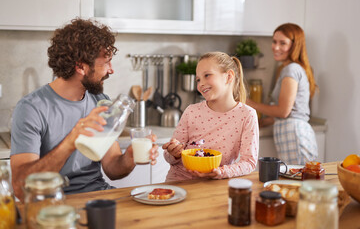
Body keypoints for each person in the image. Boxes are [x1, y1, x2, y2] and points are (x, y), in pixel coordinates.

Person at [10, 18, 158, 201]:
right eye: (106, 63)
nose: (111, 71)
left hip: (100, 197)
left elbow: (112, 168)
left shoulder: (100, 101)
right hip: (54, 206)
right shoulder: (31, 108)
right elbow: (20, 187)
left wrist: (129, 157)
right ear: (80, 66)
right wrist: (71, 141)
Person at [162, 52, 259, 181]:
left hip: (214, 186)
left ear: (229, 76)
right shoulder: (192, 112)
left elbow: (249, 162)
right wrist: (173, 154)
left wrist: (221, 172)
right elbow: (169, 158)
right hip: (180, 182)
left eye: (207, 75)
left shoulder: (247, 115)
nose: (201, 84)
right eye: (198, 79)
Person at [246, 23, 318, 165]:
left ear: (294, 45)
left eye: (282, 43)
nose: (276, 47)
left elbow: (283, 112)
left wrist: (248, 102)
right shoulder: (289, 69)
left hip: (296, 136)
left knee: (299, 184)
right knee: (297, 184)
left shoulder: (291, 69)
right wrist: (260, 122)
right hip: (292, 135)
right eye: (274, 41)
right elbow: (284, 114)